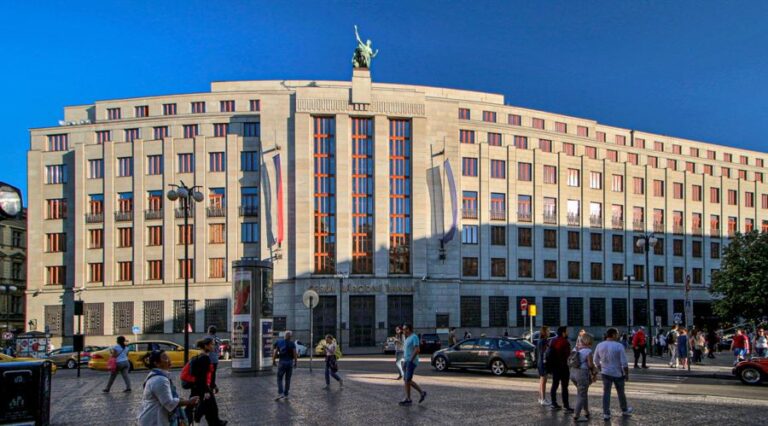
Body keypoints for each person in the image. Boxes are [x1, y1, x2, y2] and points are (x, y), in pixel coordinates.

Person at [137, 350, 199, 426]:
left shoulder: (157, 376)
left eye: (168, 357)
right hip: (154, 420)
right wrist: (189, 402)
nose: (169, 360)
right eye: (165, 358)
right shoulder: (160, 379)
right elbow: (168, 403)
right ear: (157, 363)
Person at [593, 328, 633, 420]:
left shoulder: (600, 345)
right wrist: (626, 374)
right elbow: (624, 362)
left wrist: (600, 367)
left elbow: (595, 359)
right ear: (614, 335)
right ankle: (624, 410)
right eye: (617, 334)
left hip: (605, 372)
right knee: (621, 392)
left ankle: (606, 413)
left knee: (606, 393)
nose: (618, 335)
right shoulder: (619, 346)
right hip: (618, 373)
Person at [188, 338, 226, 425]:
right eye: (212, 344)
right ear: (206, 346)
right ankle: (196, 418)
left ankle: (215, 422)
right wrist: (206, 391)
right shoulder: (205, 359)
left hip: (201, 387)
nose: (214, 346)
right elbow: (202, 377)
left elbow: (206, 375)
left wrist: (213, 385)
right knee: (210, 407)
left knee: (211, 408)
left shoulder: (200, 357)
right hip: (204, 388)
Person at [571, 333, 597, 423]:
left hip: (573, 373)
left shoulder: (575, 348)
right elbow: (590, 365)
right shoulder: (588, 351)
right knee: (581, 395)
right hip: (582, 374)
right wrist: (594, 370)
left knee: (583, 393)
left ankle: (586, 411)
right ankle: (576, 415)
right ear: (588, 341)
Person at [399, 324, 426, 405]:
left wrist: (410, 360)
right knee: (406, 380)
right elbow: (406, 351)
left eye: (405, 329)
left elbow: (417, 349)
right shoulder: (407, 338)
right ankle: (409, 398)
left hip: (411, 361)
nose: (403, 331)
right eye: (403, 329)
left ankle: (420, 393)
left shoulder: (414, 337)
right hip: (406, 361)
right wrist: (404, 361)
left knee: (408, 380)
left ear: (409, 329)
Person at [548, 326, 573, 412]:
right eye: (567, 331)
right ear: (563, 333)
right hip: (563, 367)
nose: (568, 333)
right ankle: (566, 405)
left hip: (554, 366)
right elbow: (568, 356)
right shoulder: (564, 342)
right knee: (564, 387)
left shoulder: (553, 340)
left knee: (554, 385)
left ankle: (553, 403)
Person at [273, 330, 298, 400]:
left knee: (279, 378)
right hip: (290, 363)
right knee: (288, 379)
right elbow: (294, 354)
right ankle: (286, 394)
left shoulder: (279, 342)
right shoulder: (292, 344)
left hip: (282, 362)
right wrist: (295, 362)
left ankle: (280, 393)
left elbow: (275, 352)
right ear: (290, 337)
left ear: (284, 335)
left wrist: (273, 360)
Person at [535, 326, 551, 406]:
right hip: (543, 362)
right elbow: (546, 353)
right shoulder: (544, 341)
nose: (549, 332)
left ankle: (540, 398)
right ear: (544, 332)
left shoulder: (539, 340)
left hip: (540, 362)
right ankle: (543, 399)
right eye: (548, 331)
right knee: (543, 381)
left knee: (541, 381)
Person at [205, 325, 222, 390]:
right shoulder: (217, 338)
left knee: (206, 373)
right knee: (213, 373)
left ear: (209, 331)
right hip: (215, 359)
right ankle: (212, 385)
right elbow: (219, 344)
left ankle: (208, 385)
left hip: (208, 359)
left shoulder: (207, 338)